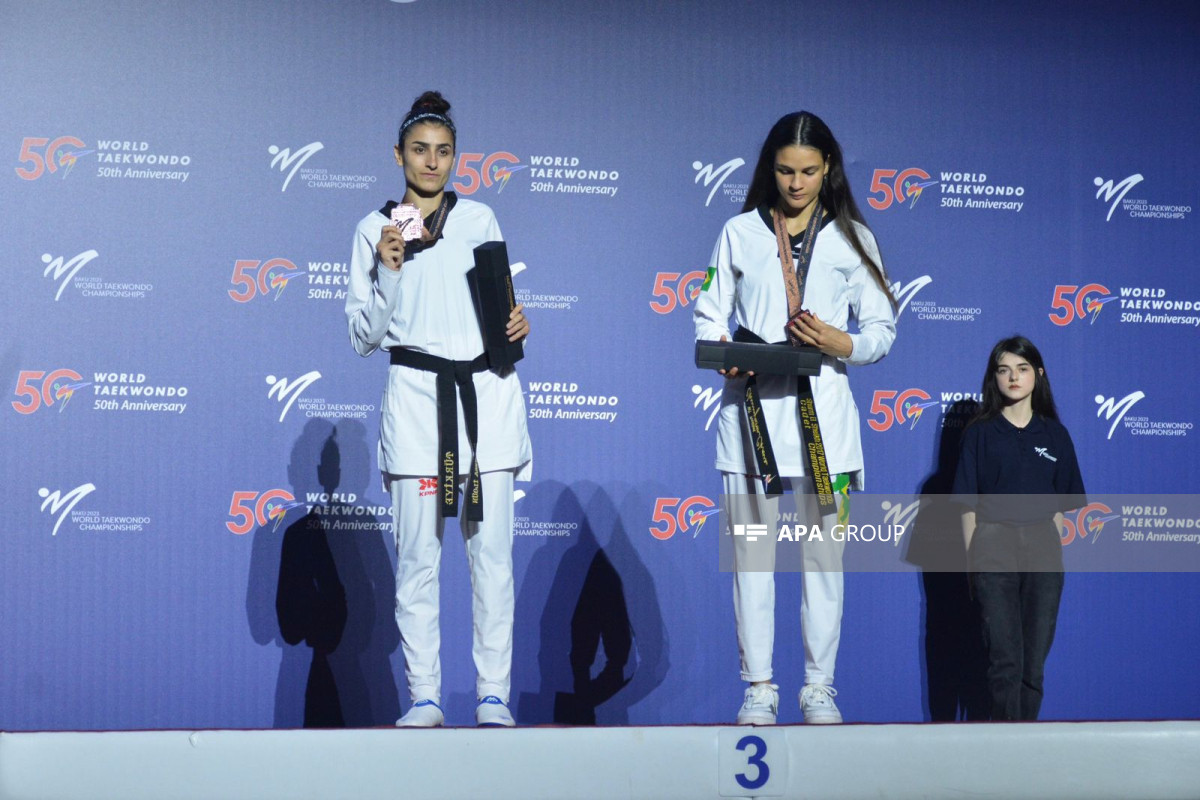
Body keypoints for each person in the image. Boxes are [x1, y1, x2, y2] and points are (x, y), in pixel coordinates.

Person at [693, 111, 896, 725]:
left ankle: (818, 686)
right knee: (752, 562)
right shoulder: (738, 232)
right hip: (751, 425)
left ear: (829, 167)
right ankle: (758, 687)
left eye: (809, 170)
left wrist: (841, 342)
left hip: (826, 430)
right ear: (769, 168)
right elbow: (707, 312)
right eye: (785, 170)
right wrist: (725, 355)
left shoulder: (853, 238)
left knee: (824, 563)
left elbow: (883, 331)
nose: (797, 182)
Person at [345, 91, 532, 728]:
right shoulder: (373, 230)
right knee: (420, 558)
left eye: (443, 151)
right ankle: (424, 696)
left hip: (486, 403)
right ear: (398, 155)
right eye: (420, 150)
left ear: (457, 157)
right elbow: (364, 337)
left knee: (493, 560)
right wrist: (389, 269)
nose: (432, 162)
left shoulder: (481, 218)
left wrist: (517, 324)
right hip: (418, 406)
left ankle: (493, 695)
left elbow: (502, 310)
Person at [952, 336, 1085, 721]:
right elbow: (966, 505)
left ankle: (1027, 749)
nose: (1013, 377)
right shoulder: (979, 432)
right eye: (1004, 369)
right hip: (992, 544)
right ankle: (1003, 751)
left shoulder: (1055, 435)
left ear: (1038, 375)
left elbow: (1063, 506)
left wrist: (1048, 546)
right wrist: (972, 564)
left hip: (1043, 546)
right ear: (994, 378)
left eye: (1022, 368)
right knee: (1005, 661)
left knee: (1033, 665)